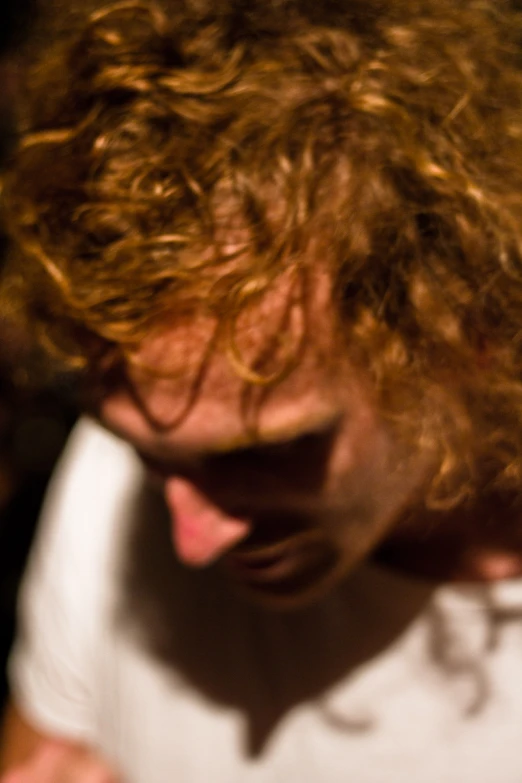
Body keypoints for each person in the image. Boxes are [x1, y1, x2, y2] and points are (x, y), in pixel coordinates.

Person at [2, 0, 522, 780]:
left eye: (270, 450)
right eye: (144, 452)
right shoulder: (147, 450)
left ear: (461, 328)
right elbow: (49, 744)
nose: (192, 537)